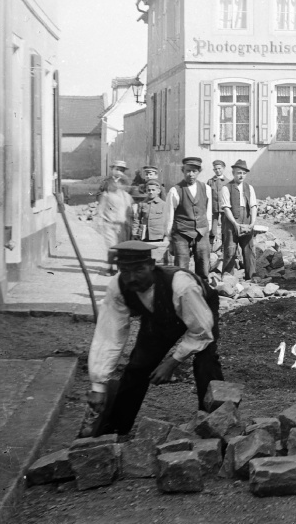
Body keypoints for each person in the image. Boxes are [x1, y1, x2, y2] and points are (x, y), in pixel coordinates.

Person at [86, 240, 223, 436]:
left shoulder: (181, 285)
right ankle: (115, 428)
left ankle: (216, 424)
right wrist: (98, 385)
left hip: (200, 310)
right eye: (125, 271)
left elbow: (201, 331)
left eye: (138, 270)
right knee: (137, 367)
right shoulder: (118, 287)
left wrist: (172, 362)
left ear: (151, 265)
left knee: (206, 362)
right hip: (161, 317)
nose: (131, 278)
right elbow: (109, 335)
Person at [164, 157, 213, 279]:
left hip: (201, 231)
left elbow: (208, 211)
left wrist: (207, 228)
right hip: (182, 233)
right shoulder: (175, 191)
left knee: (203, 263)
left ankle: (202, 288)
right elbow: (169, 216)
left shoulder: (206, 189)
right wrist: (169, 237)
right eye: (188, 171)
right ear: (183, 170)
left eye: (194, 171)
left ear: (199, 172)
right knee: (181, 266)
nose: (191, 174)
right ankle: (182, 290)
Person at [220, 160, 259, 280]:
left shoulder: (249, 188)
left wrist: (252, 223)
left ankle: (251, 277)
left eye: (243, 173)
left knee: (249, 249)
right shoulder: (226, 188)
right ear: (233, 173)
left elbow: (253, 206)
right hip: (231, 223)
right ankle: (227, 279)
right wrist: (235, 224)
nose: (241, 175)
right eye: (238, 173)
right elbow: (226, 208)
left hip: (246, 222)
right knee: (230, 250)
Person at [96, 175, 133, 275]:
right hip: (109, 225)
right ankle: (109, 267)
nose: (119, 185)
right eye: (117, 183)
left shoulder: (127, 197)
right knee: (112, 247)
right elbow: (101, 209)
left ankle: (119, 268)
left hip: (122, 226)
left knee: (121, 247)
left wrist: (130, 225)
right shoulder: (107, 195)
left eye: (122, 183)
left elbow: (129, 212)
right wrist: (99, 223)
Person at [135, 179, 168, 264]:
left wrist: (166, 236)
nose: (151, 192)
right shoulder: (142, 204)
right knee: (146, 259)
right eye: (149, 190)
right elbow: (137, 219)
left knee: (158, 259)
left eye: (153, 190)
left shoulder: (163, 205)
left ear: (158, 191)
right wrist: (134, 233)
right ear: (146, 191)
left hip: (158, 236)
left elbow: (167, 221)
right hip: (145, 236)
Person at [207, 160, 230, 249]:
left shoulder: (228, 182)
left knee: (225, 226)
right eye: (215, 169)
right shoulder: (210, 181)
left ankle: (224, 245)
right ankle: (211, 245)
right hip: (213, 208)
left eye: (219, 168)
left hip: (224, 207)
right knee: (212, 226)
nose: (217, 170)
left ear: (223, 169)